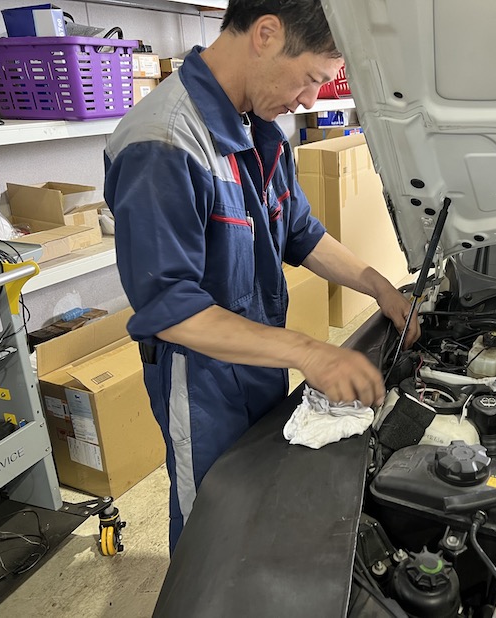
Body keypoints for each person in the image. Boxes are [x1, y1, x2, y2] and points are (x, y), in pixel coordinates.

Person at [103, 0, 419, 553]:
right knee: (210, 526)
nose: (311, 99)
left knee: (257, 500)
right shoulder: (164, 142)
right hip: (199, 378)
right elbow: (170, 307)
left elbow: (300, 231)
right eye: (311, 79)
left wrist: (379, 286)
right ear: (267, 34)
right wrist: (311, 353)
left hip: (259, 356)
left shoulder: (259, 129)